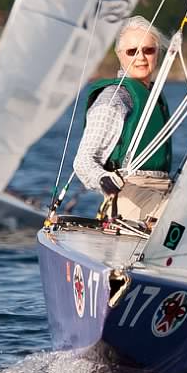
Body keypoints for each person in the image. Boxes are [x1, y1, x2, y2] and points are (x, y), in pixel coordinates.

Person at [75, 20, 173, 222]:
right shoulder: (114, 99)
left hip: (165, 189)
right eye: (132, 51)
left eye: (148, 50)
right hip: (130, 194)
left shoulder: (153, 96)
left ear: (158, 53)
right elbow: (83, 161)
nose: (141, 57)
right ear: (120, 55)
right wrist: (102, 178)